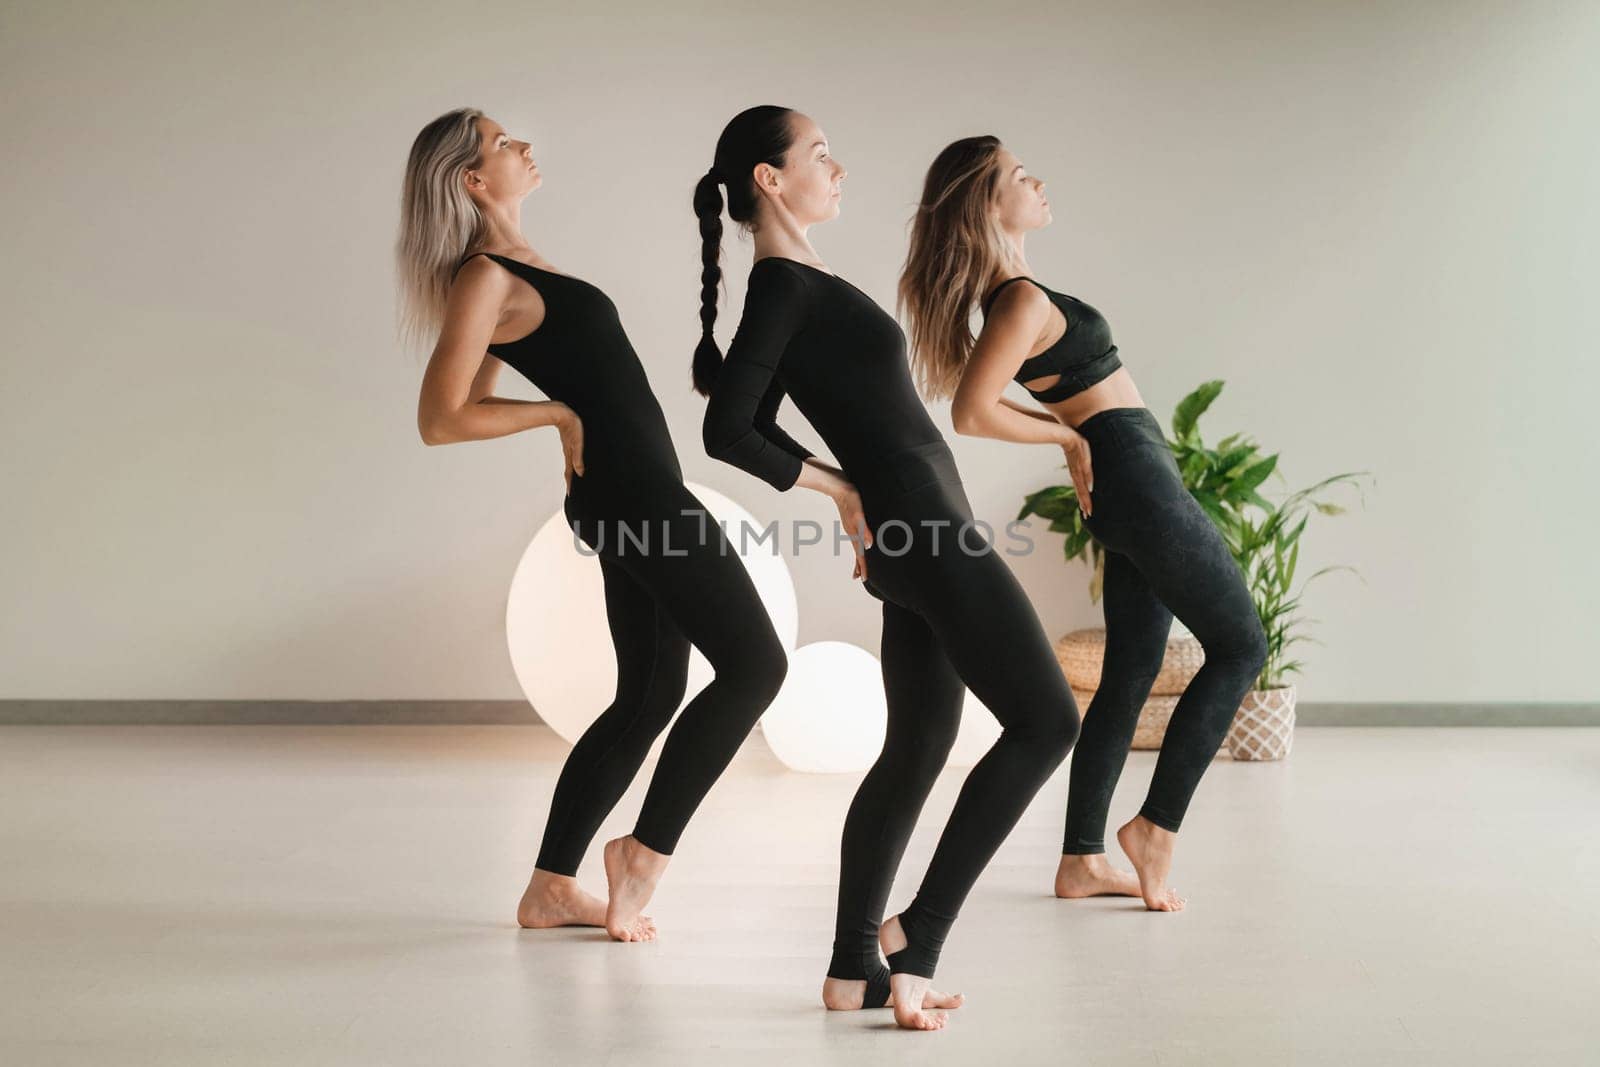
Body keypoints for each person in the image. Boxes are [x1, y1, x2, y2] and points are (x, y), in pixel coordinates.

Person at [693, 106, 1080, 1031]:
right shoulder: (783, 284)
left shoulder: (800, 281)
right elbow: (725, 427)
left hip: (918, 526)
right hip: (922, 529)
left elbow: (759, 410)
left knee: (915, 749)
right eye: (818, 155)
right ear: (769, 181)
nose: (839, 167)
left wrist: (855, 491)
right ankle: (920, 940)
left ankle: (851, 967)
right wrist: (838, 489)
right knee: (1047, 719)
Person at [399, 108, 789, 942]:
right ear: (472, 180)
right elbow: (442, 415)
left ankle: (549, 887)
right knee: (756, 664)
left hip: (635, 492)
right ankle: (643, 854)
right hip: (636, 500)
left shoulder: (516, 268)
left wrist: (562, 415)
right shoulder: (485, 276)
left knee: (650, 694)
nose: (525, 146)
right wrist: (556, 416)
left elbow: (494, 393)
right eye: (504, 143)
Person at [898, 134, 1270, 913]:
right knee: (1241, 645)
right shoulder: (1022, 301)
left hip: (1133, 472)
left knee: (1132, 668)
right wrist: (1069, 434)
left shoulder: (1019, 297)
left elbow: (995, 398)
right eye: (1018, 176)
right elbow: (972, 410)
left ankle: (1081, 857)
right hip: (1133, 475)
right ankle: (1157, 828)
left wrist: (1075, 432)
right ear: (986, 203)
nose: (1038, 181)